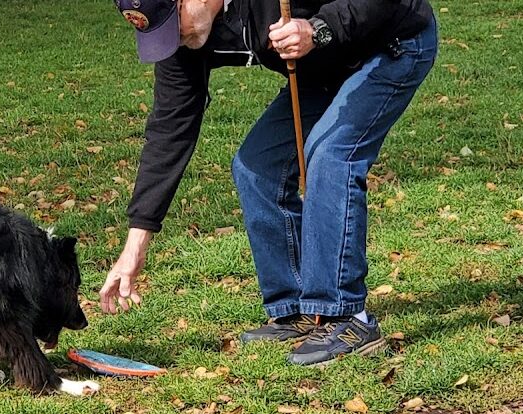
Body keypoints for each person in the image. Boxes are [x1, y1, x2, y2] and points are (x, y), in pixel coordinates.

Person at [100, 0, 438, 366]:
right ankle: (298, 311)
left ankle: (346, 316)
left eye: (173, 23)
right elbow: (170, 130)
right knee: (256, 167)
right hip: (322, 69)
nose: (175, 38)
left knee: (330, 156)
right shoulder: (180, 41)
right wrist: (135, 246)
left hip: (391, 43)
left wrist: (319, 28)